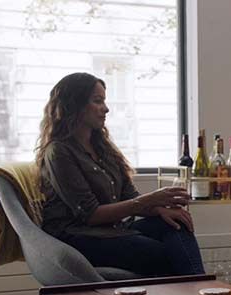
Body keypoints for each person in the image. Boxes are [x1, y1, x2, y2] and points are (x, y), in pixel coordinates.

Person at [35, 72, 204, 277]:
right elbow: (90, 215)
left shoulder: (103, 148)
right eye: (98, 101)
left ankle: (199, 287)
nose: (106, 109)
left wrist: (159, 209)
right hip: (77, 237)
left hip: (112, 231)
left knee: (176, 224)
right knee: (162, 255)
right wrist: (150, 199)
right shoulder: (59, 152)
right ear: (74, 105)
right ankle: (197, 293)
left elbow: (130, 197)